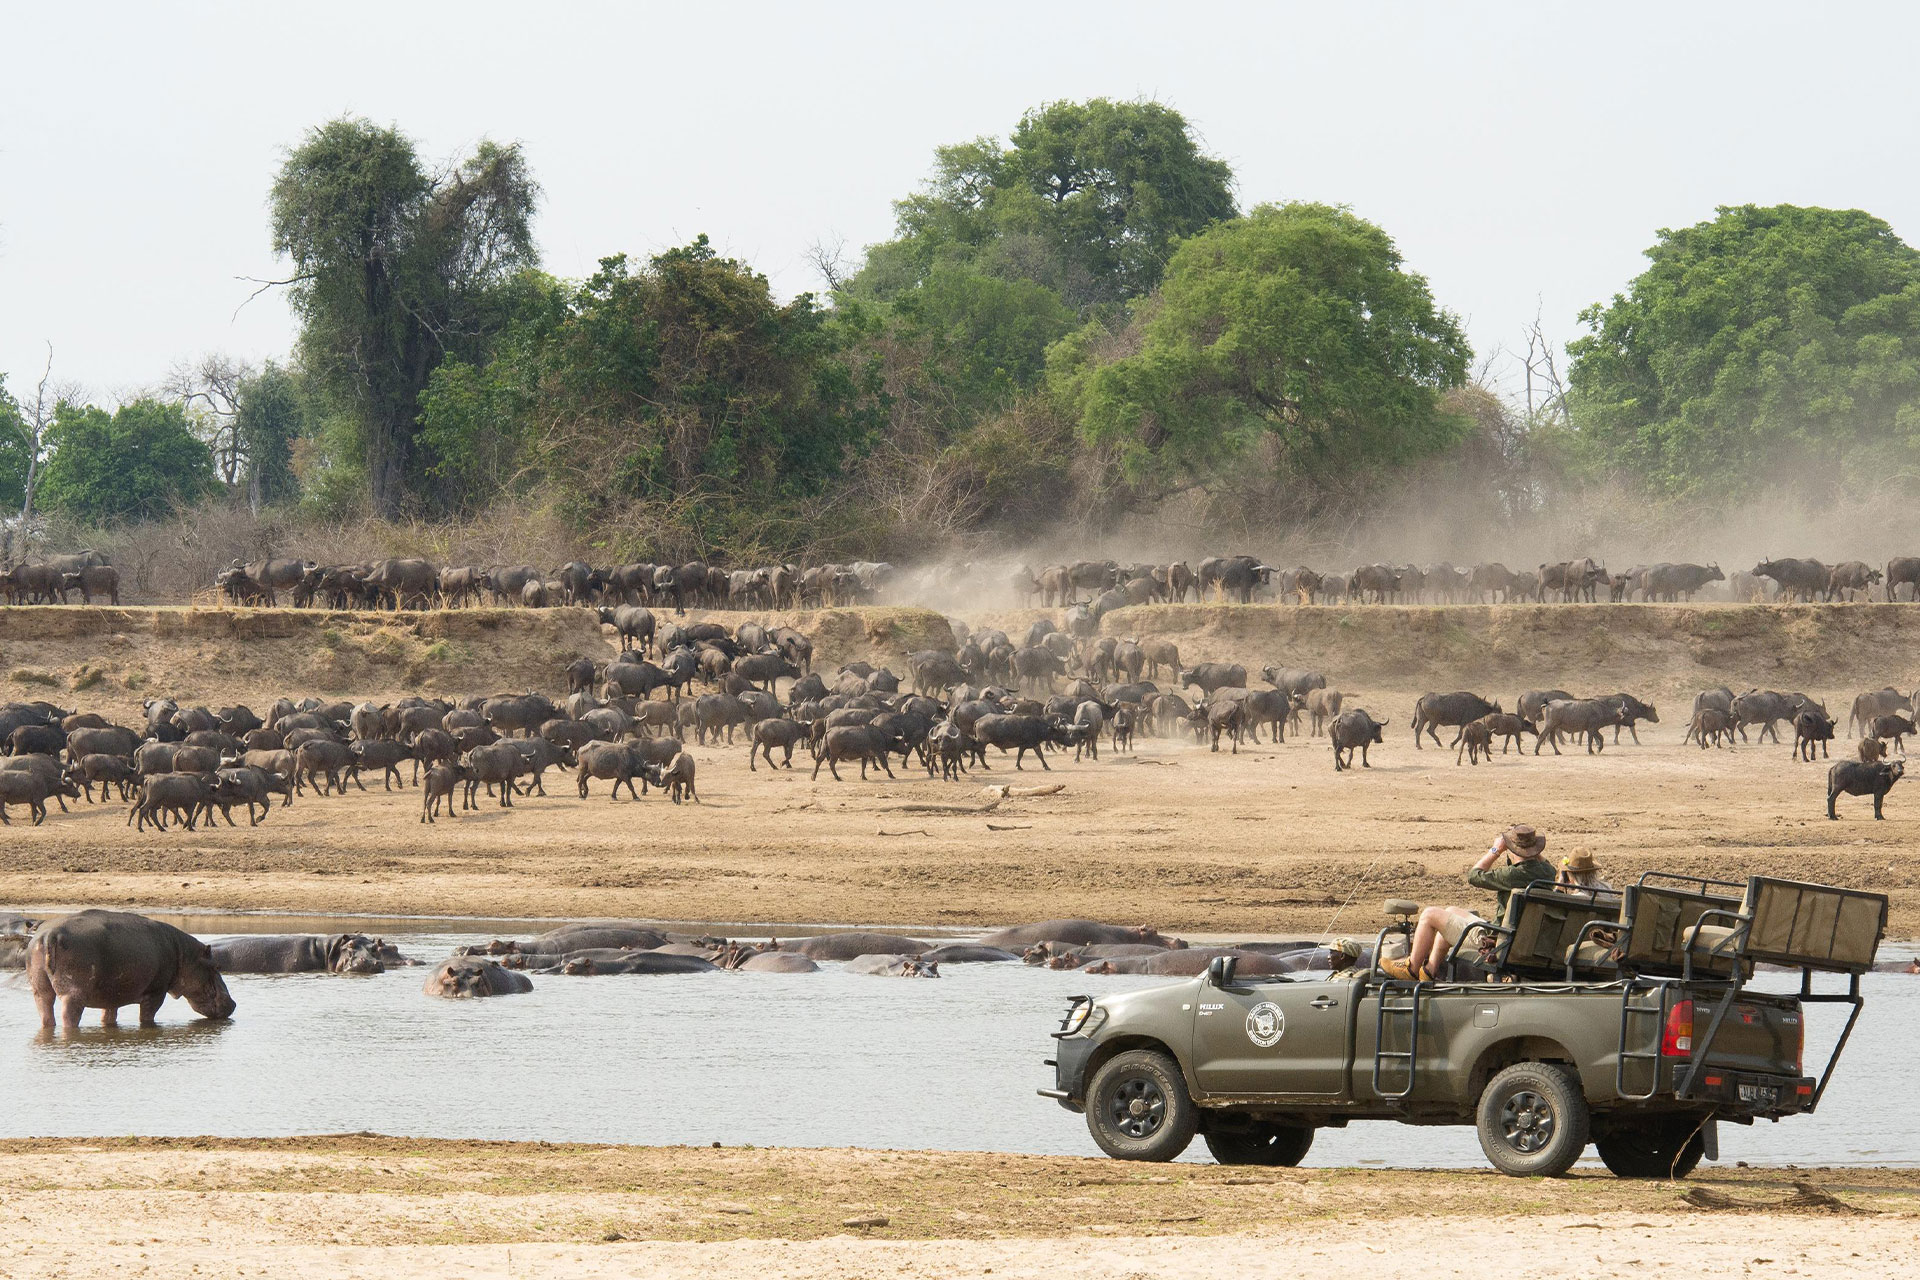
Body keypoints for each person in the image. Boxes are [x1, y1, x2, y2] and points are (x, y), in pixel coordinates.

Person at [1380, 825, 1557, 980]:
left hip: (1498, 941)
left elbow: (1474, 875)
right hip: (1518, 939)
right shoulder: (1547, 873)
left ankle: (1411, 969)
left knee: (1429, 915)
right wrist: (1527, 849)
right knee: (1451, 911)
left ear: (1512, 850)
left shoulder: (1513, 875)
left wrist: (1495, 850)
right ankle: (1429, 970)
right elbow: (1546, 864)